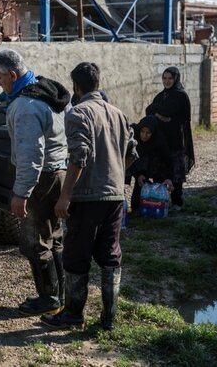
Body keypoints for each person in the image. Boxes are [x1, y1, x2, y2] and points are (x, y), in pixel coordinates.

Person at [42, 62, 137, 330]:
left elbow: (78, 158)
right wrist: (114, 175)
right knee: (110, 256)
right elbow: (131, 153)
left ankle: (73, 315)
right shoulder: (117, 113)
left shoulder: (78, 114)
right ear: (97, 82)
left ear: (76, 86)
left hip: (87, 198)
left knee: (76, 256)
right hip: (115, 196)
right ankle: (108, 319)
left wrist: (65, 196)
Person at [0, 49, 70, 315]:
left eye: (0, 78)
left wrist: (21, 193)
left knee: (34, 242)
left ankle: (48, 299)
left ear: (13, 74)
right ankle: (61, 292)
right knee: (54, 236)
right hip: (59, 173)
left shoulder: (25, 106)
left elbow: (30, 155)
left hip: (41, 180)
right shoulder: (47, 92)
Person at [145, 66, 195, 211]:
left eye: (170, 78)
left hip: (175, 139)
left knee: (175, 173)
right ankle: (159, 199)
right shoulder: (161, 96)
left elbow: (179, 115)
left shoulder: (181, 96)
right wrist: (163, 116)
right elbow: (149, 110)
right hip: (161, 140)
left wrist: (160, 113)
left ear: (176, 79)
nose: (167, 81)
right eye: (164, 78)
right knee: (159, 170)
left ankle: (177, 202)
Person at [128, 115, 174, 213]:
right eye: (142, 132)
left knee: (158, 184)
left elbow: (168, 159)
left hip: (154, 163)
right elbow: (128, 159)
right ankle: (136, 209)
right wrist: (138, 174)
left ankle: (155, 206)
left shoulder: (159, 140)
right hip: (136, 163)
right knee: (140, 182)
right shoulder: (133, 136)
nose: (144, 135)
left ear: (153, 133)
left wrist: (169, 178)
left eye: (148, 133)